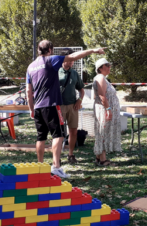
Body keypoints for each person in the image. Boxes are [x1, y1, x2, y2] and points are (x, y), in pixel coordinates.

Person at [26, 40, 105, 179]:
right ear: (50, 49)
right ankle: (56, 167)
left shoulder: (31, 66)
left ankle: (40, 167)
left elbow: (28, 90)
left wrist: (31, 108)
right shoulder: (52, 60)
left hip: (38, 107)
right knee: (59, 136)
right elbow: (75, 56)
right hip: (51, 104)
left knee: (41, 137)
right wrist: (93, 50)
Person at [93, 58, 121, 167]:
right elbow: (101, 95)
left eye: (109, 65)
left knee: (103, 133)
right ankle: (103, 160)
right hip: (103, 109)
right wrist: (108, 109)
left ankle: (99, 157)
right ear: (100, 68)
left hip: (103, 108)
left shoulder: (103, 78)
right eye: (107, 65)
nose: (109, 67)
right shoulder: (100, 78)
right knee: (103, 133)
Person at [59, 56, 85, 165]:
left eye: (72, 61)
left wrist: (79, 100)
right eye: (69, 60)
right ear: (63, 60)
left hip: (73, 106)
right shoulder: (56, 71)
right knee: (58, 133)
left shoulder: (74, 73)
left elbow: (81, 90)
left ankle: (70, 154)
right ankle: (57, 156)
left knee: (73, 131)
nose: (71, 62)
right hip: (59, 106)